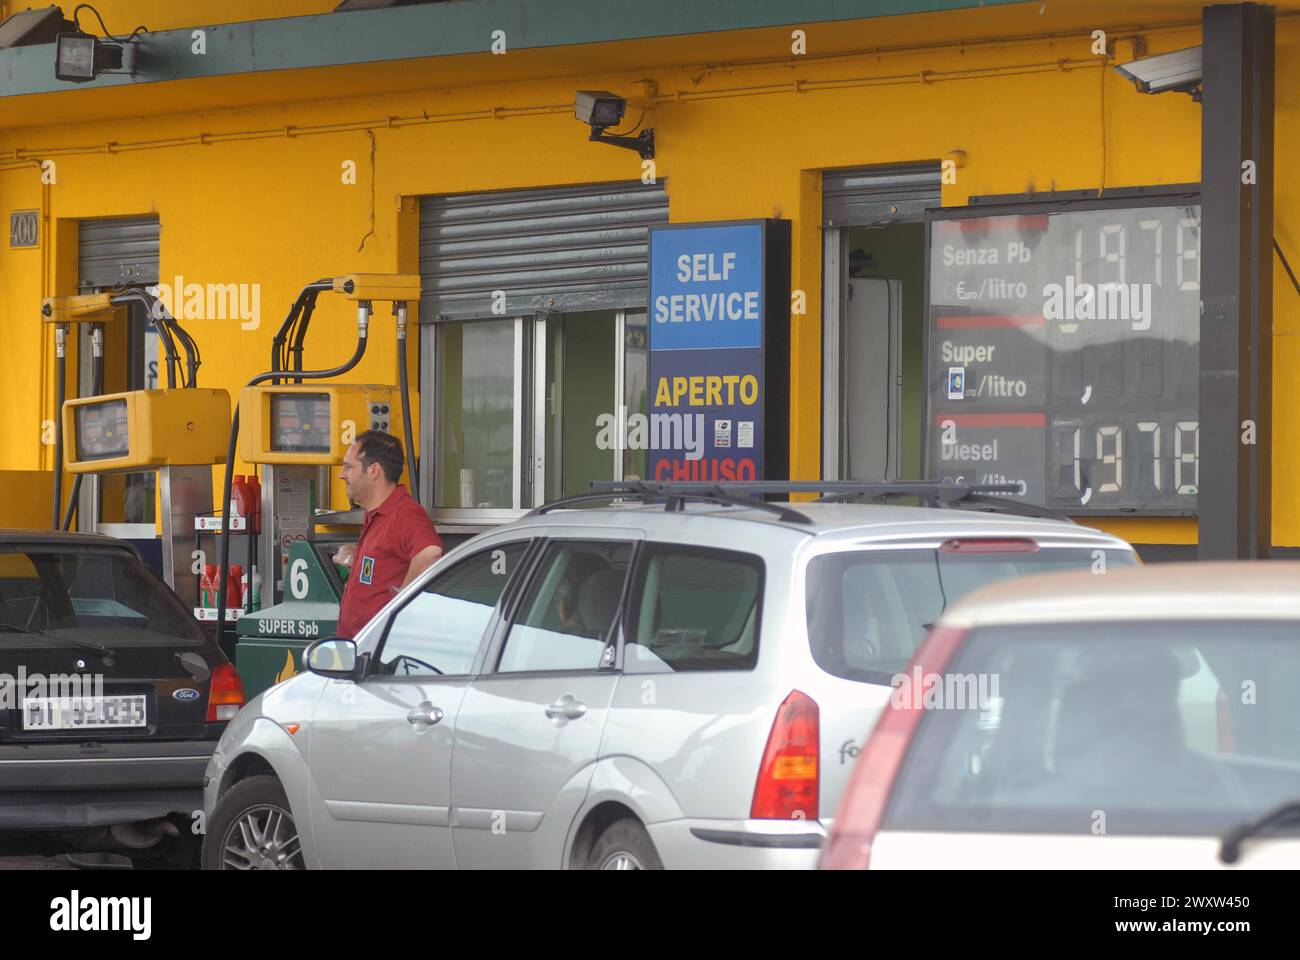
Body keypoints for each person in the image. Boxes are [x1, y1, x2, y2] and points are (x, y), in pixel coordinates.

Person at [334, 431, 443, 638]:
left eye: (348, 467)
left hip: (379, 655)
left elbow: (431, 553)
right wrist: (357, 556)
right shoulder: (376, 513)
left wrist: (399, 603)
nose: (342, 474)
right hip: (357, 652)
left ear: (374, 470)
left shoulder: (405, 512)